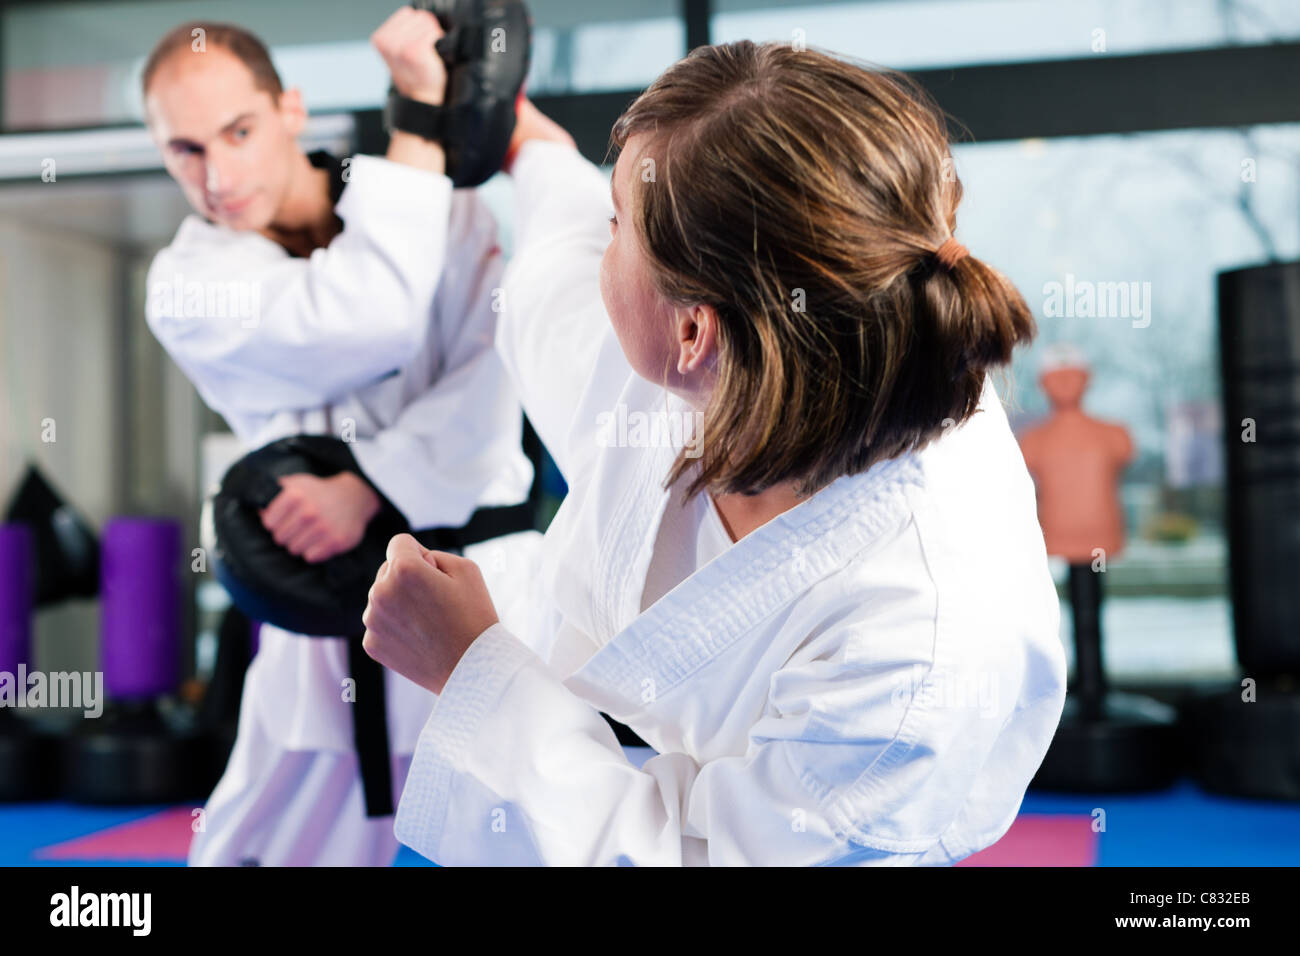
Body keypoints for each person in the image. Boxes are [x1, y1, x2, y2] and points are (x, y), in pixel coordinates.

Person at [362, 42, 1067, 865]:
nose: (603, 242)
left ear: (695, 328)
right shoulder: (735, 357)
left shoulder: (917, 634)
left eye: (617, 225)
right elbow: (553, 269)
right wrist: (519, 131)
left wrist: (471, 670)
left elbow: (694, 859)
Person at [141, 10, 534, 866]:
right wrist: (419, 117)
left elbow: (490, 392)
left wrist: (366, 487)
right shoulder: (187, 284)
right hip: (324, 622)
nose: (218, 174)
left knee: (553, 829)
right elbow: (371, 319)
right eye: (186, 150)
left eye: (238, 131)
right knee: (253, 850)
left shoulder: (453, 215)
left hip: (484, 592)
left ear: (290, 110)